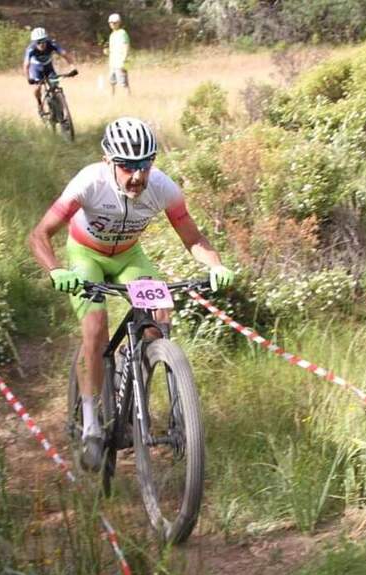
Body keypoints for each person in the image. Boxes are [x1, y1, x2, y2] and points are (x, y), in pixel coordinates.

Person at [29, 117, 233, 470]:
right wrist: (56, 270)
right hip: (85, 256)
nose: (137, 176)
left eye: (145, 165)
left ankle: (134, 376)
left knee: (160, 316)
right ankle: (92, 424)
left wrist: (215, 265)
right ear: (109, 161)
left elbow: (193, 238)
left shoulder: (163, 188)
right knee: (95, 328)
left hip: (128, 257)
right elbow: (39, 234)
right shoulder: (89, 182)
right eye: (127, 167)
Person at [23, 26, 75, 118]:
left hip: (48, 67)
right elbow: (26, 65)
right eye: (38, 42)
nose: (42, 44)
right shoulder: (30, 49)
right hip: (36, 69)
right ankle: (39, 104)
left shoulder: (52, 44)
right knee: (37, 87)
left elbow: (65, 54)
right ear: (34, 42)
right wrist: (29, 79)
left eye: (43, 41)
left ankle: (60, 114)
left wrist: (73, 68)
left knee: (55, 86)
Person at [105, 13, 130, 96]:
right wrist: (107, 51)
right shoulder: (112, 35)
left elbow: (126, 46)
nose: (112, 24)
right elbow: (111, 49)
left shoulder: (123, 33)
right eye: (111, 22)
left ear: (119, 22)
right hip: (112, 62)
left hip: (121, 62)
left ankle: (128, 99)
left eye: (115, 22)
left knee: (123, 83)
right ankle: (112, 98)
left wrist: (124, 59)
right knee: (112, 82)